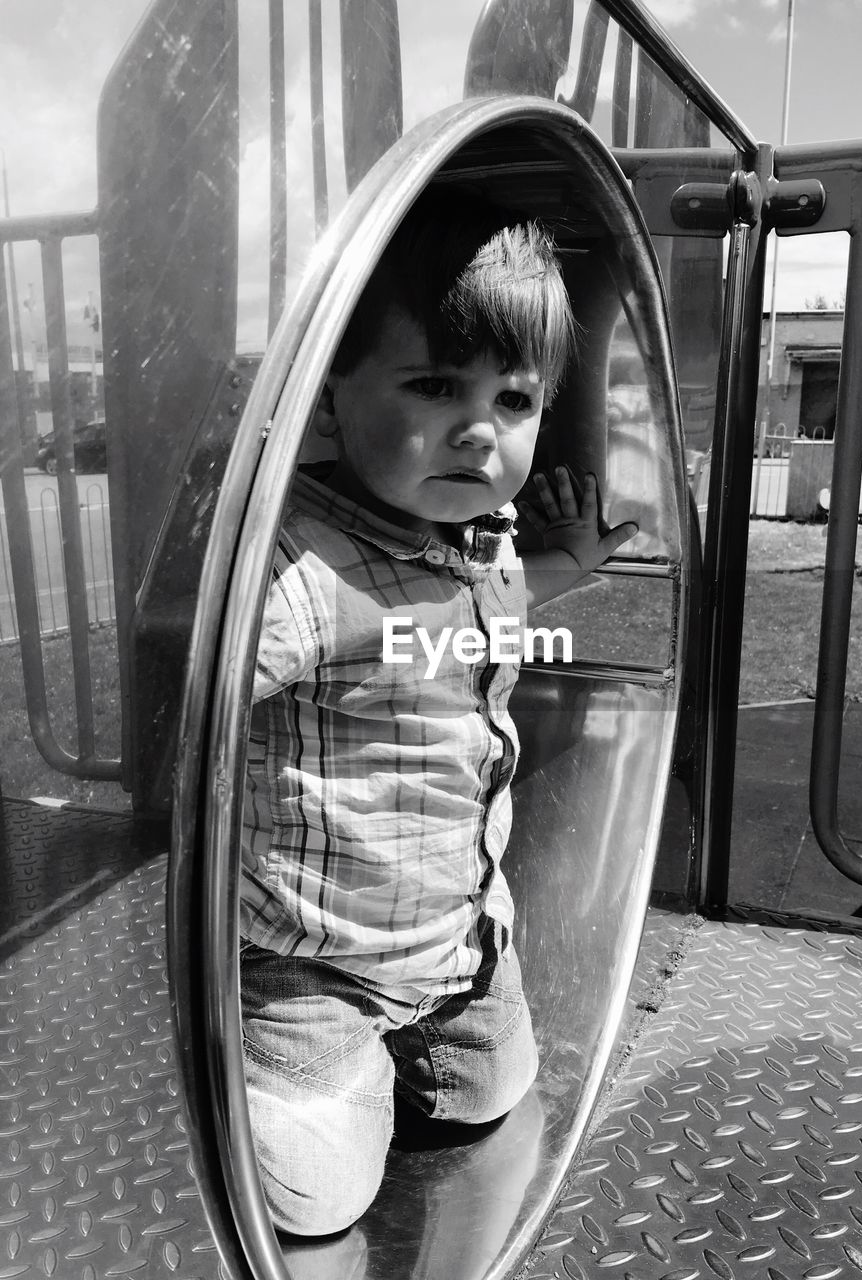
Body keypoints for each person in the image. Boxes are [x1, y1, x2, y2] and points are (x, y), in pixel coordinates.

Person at [239, 188, 637, 1236]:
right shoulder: (301, 572)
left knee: (490, 1098)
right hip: (317, 962)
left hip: (457, 947)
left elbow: (495, 603)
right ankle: (278, 1052)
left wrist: (573, 558)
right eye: (433, 384)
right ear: (330, 403)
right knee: (317, 1192)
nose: (478, 429)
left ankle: (402, 1054)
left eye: (514, 399)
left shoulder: (474, 544)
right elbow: (200, 691)